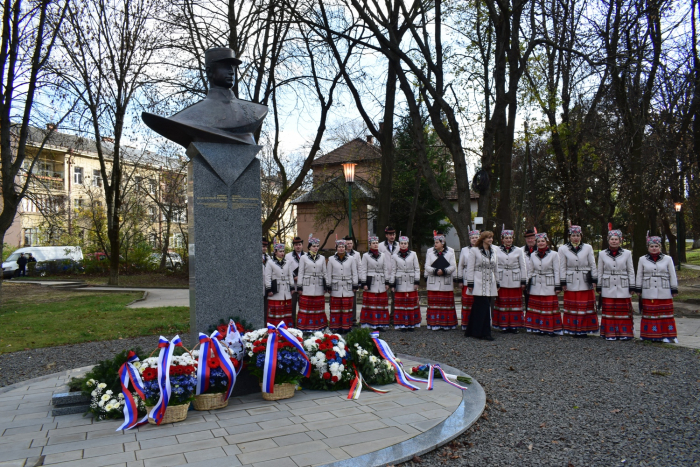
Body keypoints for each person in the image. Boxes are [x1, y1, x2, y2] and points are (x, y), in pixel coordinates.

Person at [635, 232, 679, 343]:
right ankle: (649, 334)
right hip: (648, 289)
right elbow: (639, 274)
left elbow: (672, 274)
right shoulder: (642, 259)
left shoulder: (667, 259)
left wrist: (674, 288)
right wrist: (638, 288)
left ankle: (667, 335)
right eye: (651, 246)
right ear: (648, 247)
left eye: (656, 246)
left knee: (665, 314)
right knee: (651, 313)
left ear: (660, 247)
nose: (654, 248)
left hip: (664, 289)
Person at [597, 224, 636, 341]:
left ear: (620, 240)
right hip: (608, 284)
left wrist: (632, 285)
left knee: (623, 310)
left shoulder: (627, 253)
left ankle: (625, 332)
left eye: (616, 239)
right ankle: (610, 332)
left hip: (622, 284)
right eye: (612, 239)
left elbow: (631, 270)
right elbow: (600, 271)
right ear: (608, 240)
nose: (614, 241)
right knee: (609, 310)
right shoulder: (602, 254)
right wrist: (599, 286)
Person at [559, 224, 599, 337]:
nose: (575, 237)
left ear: (581, 236)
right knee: (573, 305)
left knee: (584, 306)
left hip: (584, 279)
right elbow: (562, 266)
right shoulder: (563, 249)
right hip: (570, 278)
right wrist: (562, 281)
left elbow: (592, 264)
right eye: (573, 235)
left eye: (577, 235)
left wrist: (594, 279)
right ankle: (572, 328)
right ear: (569, 237)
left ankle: (584, 329)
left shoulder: (588, 247)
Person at [524, 231, 563, 335]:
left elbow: (557, 271)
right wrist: (527, 283)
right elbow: (530, 270)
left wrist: (557, 285)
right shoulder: (533, 255)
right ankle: (537, 327)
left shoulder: (554, 254)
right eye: (539, 241)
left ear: (547, 242)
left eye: (543, 241)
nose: (541, 243)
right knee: (537, 307)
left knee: (548, 307)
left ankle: (550, 328)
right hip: (536, 284)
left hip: (549, 282)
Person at [465, 231, 499, 340]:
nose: (490, 240)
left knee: (479, 307)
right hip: (478, 281)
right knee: (483, 307)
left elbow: (496, 268)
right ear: (483, 239)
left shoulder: (493, 251)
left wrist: (497, 282)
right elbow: (470, 267)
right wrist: (470, 282)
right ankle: (484, 333)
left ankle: (472, 330)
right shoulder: (474, 251)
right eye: (488, 238)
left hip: (490, 282)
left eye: (491, 238)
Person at [494, 226, 527, 332]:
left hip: (515, 279)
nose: (508, 240)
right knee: (502, 302)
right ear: (502, 239)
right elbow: (494, 265)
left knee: (514, 303)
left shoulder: (519, 250)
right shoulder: (496, 250)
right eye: (506, 238)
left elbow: (523, 266)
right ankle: (503, 325)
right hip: (501, 278)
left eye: (510, 238)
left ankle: (514, 325)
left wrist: (523, 280)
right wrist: (495, 280)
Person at [424, 231, 458, 330]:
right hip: (433, 280)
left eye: (437, 242)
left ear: (443, 242)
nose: (435, 244)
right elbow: (426, 266)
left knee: (445, 303)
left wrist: (444, 271)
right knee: (434, 303)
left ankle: (446, 324)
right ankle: (434, 323)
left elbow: (453, 266)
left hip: (446, 281)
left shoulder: (450, 252)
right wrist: (434, 271)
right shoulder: (430, 252)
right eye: (434, 242)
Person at [326, 237, 359, 333]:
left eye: (343, 247)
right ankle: (335, 327)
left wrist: (355, 284)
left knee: (346, 308)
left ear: (345, 248)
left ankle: (346, 327)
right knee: (336, 308)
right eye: (339, 247)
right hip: (336, 286)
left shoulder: (351, 259)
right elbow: (328, 273)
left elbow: (354, 272)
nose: (341, 248)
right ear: (336, 248)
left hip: (347, 286)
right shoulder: (331, 259)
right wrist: (328, 285)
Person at [360, 234, 392, 329]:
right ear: (370, 244)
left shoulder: (382, 255)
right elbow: (363, 270)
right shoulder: (366, 256)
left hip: (381, 282)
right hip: (371, 281)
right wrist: (364, 283)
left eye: (377, 243)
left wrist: (387, 281)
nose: (375, 245)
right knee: (371, 304)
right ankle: (371, 323)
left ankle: (381, 324)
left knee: (380, 304)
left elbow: (385, 268)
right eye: (373, 243)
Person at [296, 234, 328, 331]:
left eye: (317, 246)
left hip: (318, 286)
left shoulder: (322, 258)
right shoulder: (304, 258)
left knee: (318, 308)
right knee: (307, 308)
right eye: (314, 246)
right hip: (307, 286)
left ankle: (319, 327)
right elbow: (300, 272)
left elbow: (324, 272)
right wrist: (300, 286)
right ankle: (306, 328)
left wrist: (327, 285)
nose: (316, 248)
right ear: (309, 247)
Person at [391, 234, 421, 331]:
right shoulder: (395, 256)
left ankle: (411, 324)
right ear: (399, 244)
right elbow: (393, 270)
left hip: (411, 280)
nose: (403, 245)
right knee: (401, 304)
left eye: (405, 243)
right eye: (402, 243)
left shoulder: (413, 254)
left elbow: (417, 268)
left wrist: (417, 281)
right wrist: (392, 283)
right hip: (400, 281)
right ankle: (402, 324)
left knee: (410, 303)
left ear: (408, 244)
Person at [265, 241, 296, 326]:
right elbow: (267, 277)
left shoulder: (288, 262)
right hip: (276, 290)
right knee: (276, 312)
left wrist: (292, 287)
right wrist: (268, 289)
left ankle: (287, 328)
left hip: (286, 290)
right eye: (280, 251)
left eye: (283, 251)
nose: (282, 253)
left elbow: (290, 275)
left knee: (286, 311)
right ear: (275, 252)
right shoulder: (270, 263)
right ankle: (274, 328)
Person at [457, 226, 480, 330]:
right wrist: (460, 279)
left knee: (478, 303)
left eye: (476, 237)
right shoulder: (464, 250)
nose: (474, 239)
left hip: (479, 278)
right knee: (467, 302)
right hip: (467, 279)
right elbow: (460, 265)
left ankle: (477, 323)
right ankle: (466, 324)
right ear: (470, 239)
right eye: (472, 237)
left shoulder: (483, 250)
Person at [378, 226, 399, 323]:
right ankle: (384, 317)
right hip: (384, 275)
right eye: (390, 234)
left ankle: (393, 317)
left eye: (393, 234)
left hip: (395, 275)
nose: (392, 236)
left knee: (395, 298)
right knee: (384, 298)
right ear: (386, 235)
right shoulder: (380, 246)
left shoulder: (398, 245)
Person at [285, 237, 305, 324]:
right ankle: (291, 326)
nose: (298, 247)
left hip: (303, 286)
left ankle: (302, 325)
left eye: (299, 245)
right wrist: (294, 277)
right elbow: (286, 269)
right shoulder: (288, 256)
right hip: (292, 286)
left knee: (303, 308)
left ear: (302, 245)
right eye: (296, 245)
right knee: (291, 307)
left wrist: (300, 277)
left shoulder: (306, 256)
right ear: (293, 246)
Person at [345, 235, 361, 325]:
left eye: (351, 243)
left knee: (353, 301)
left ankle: (353, 319)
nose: (349, 245)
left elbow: (360, 267)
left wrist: (358, 281)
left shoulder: (357, 254)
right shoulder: (338, 254)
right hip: (343, 280)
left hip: (353, 280)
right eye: (348, 244)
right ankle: (344, 319)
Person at [262, 237, 269, 321]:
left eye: (265, 246)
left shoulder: (268, 257)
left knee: (266, 308)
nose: (264, 248)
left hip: (267, 287)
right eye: (262, 246)